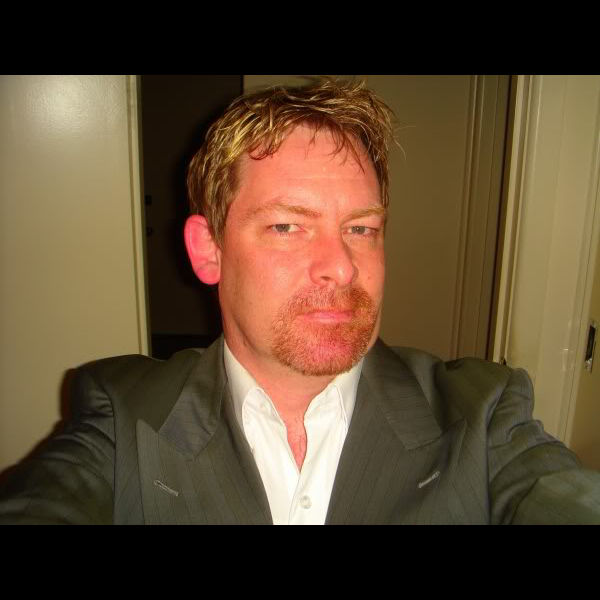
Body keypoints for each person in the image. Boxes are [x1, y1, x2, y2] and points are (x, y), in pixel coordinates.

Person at [1, 79, 599, 525]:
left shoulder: (484, 415)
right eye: (287, 226)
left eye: (361, 228)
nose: (342, 265)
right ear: (209, 250)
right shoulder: (122, 414)